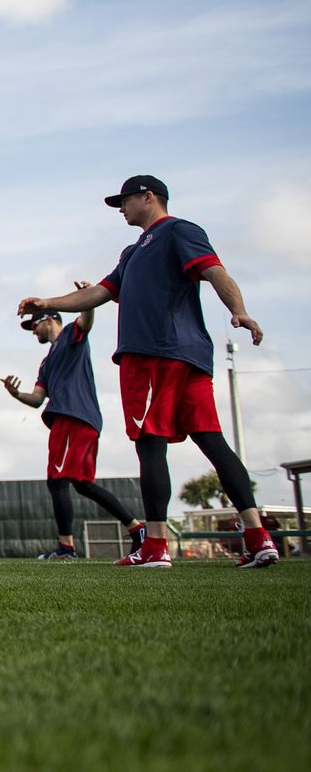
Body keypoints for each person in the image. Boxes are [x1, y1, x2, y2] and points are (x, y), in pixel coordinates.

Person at [18, 175, 277, 568]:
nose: (120, 208)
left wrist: (238, 311)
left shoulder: (178, 231)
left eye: (124, 200)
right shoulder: (132, 252)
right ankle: (258, 537)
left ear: (148, 197)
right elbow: (98, 294)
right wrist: (47, 300)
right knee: (211, 440)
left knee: (149, 442)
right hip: (187, 357)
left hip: (155, 355)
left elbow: (214, 272)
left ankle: (155, 546)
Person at [1, 293, 147, 560]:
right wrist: (16, 394)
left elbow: (85, 322)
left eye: (34, 325)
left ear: (50, 320)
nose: (33, 331)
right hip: (68, 420)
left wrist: (89, 300)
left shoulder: (70, 336)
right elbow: (36, 399)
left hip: (75, 417)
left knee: (58, 481)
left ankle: (66, 548)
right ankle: (137, 529)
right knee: (80, 483)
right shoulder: (46, 362)